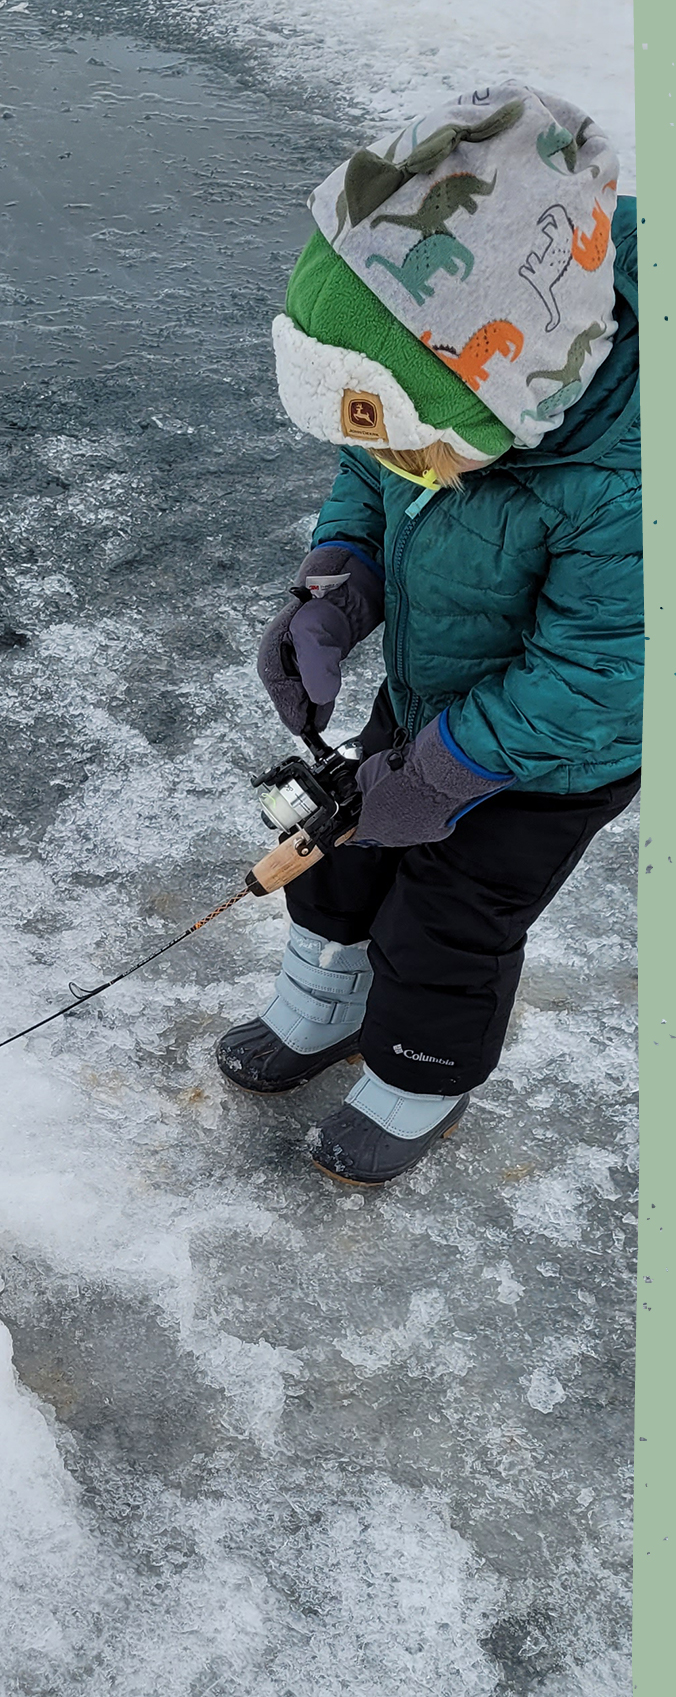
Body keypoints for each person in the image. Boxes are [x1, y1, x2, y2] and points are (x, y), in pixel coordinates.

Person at [217, 81, 642, 1187]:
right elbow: (373, 467)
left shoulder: (627, 482)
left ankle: (418, 1074)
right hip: (433, 690)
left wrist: (448, 772)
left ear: (509, 388)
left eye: (415, 444)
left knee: (449, 921)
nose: (397, 468)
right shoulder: (437, 419)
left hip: (555, 759)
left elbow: (602, 678)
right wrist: (339, 589)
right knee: (338, 862)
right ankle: (321, 1010)